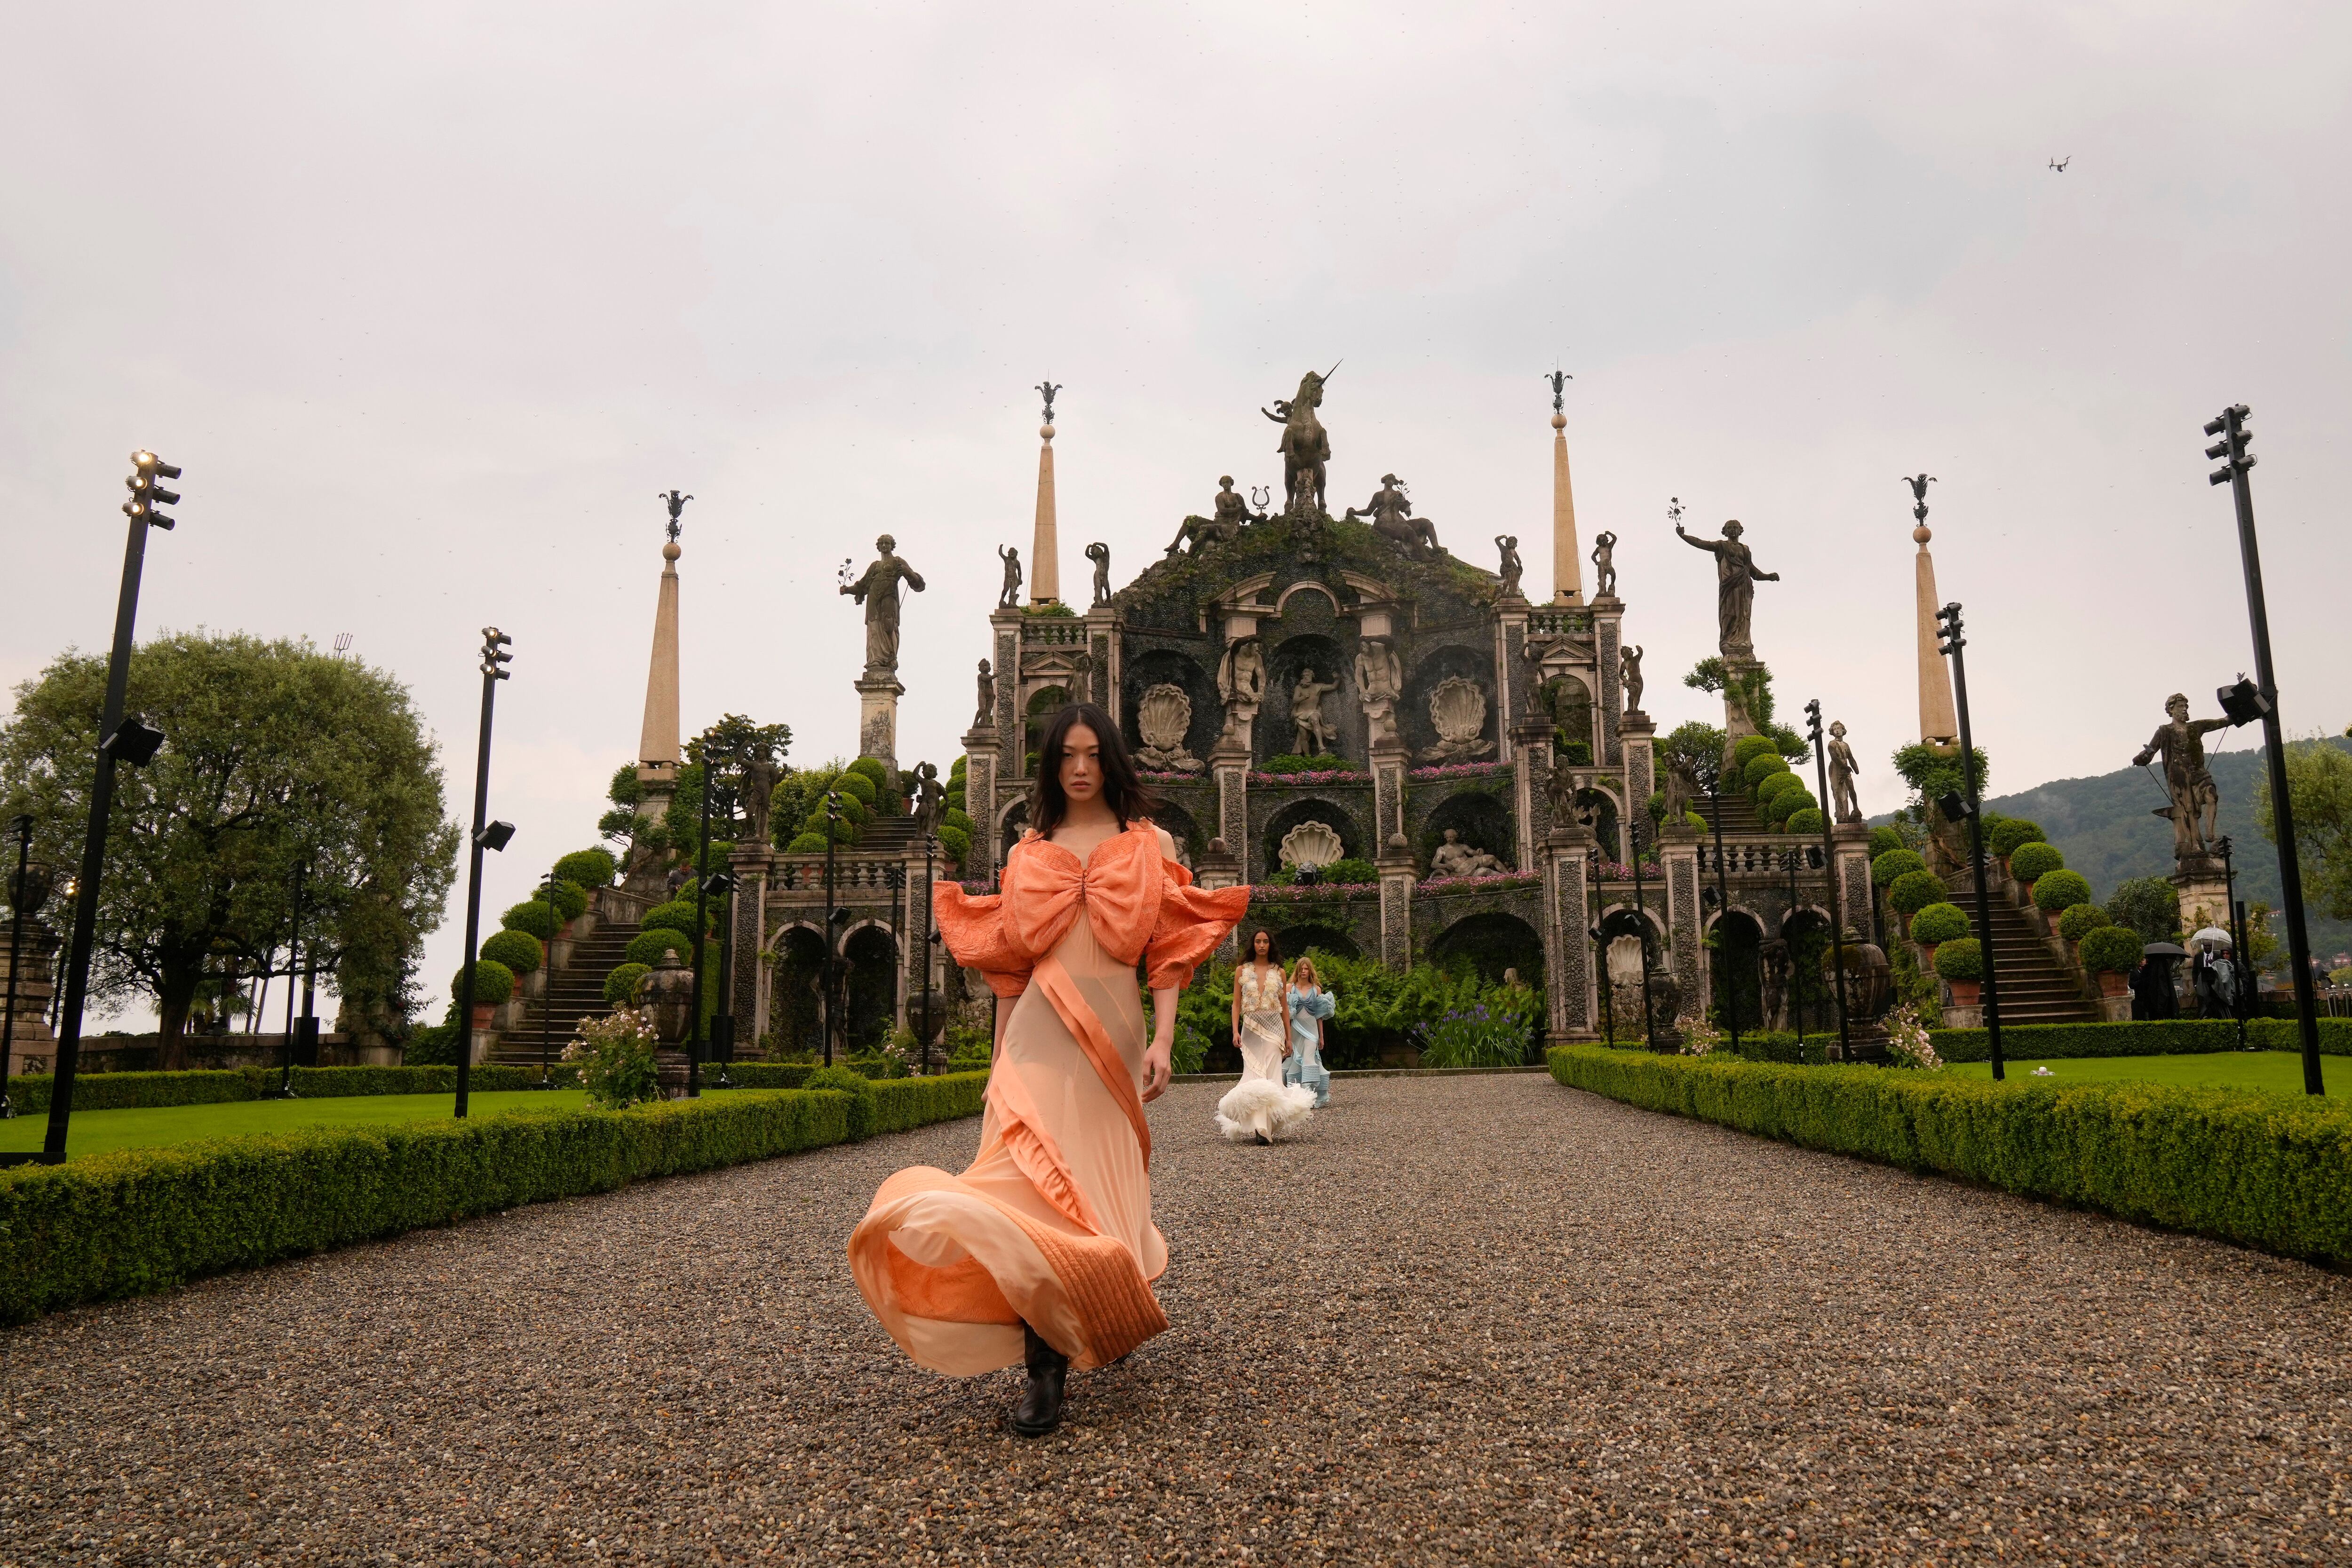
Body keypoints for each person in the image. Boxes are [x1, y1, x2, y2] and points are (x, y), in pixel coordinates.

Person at [849, 702, 1247, 1439]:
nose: (1081, 766)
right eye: (1067, 753)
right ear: (1051, 762)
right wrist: (999, 1062)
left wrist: (1164, 1038)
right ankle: (1045, 1365)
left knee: (1095, 1182)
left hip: (1116, 1034)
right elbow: (1009, 967)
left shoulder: (1148, 841)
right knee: (1027, 1184)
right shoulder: (1030, 851)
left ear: (1113, 759)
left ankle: (1103, 1297)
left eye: (1094, 752)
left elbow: (1167, 947)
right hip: (1038, 1028)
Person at [1218, 929, 1318, 1143]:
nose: (1262, 945)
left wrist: (1289, 1038)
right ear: (1252, 945)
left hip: (1275, 1030)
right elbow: (1236, 1004)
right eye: (1257, 941)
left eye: (1265, 942)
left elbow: (1284, 1007)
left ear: (1270, 945)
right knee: (1254, 1076)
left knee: (1272, 1077)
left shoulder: (1279, 972)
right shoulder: (1241, 971)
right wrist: (1235, 1031)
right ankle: (1260, 1126)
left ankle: (1266, 1127)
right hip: (1251, 1029)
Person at [1284, 958, 1335, 1109]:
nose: (1304, 972)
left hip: (1312, 1030)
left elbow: (1319, 1015)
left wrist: (1322, 1036)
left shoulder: (1316, 989)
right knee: (1295, 1061)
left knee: (1308, 1058)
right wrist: (1286, 1036)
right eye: (1301, 969)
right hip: (1296, 1029)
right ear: (1298, 970)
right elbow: (1285, 1014)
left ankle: (1308, 1097)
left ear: (1310, 971)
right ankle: (1295, 1096)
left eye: (1306, 969)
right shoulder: (1289, 988)